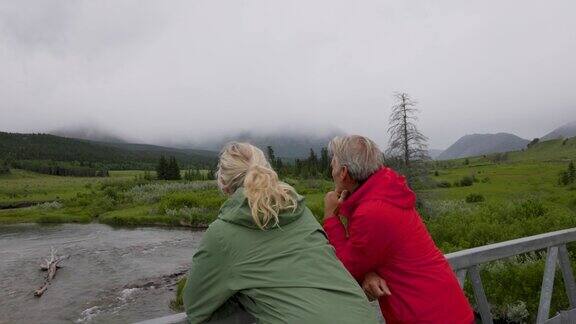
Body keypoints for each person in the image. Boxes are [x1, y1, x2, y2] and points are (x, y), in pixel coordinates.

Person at [182, 142, 378, 324]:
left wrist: (245, 299)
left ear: (224, 187)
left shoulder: (221, 234)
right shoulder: (300, 211)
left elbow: (196, 307)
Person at [323, 135, 474, 324]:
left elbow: (347, 265)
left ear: (344, 172)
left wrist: (330, 217)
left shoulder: (372, 211)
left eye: (334, 161)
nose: (331, 167)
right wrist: (367, 273)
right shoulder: (385, 189)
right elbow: (371, 253)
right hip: (444, 307)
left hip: (426, 315)